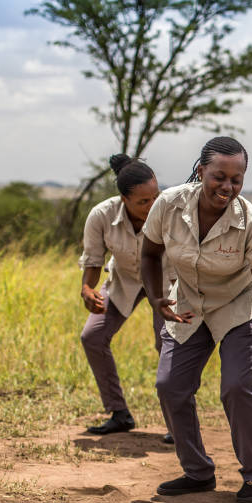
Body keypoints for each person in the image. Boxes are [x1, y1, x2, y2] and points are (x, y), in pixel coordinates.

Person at [140, 136, 252, 503]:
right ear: (201, 171)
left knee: (236, 387)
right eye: (219, 177)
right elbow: (151, 253)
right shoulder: (169, 205)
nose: (228, 187)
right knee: (170, 385)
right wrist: (157, 297)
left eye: (237, 180)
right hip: (189, 303)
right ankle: (197, 472)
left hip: (240, 308)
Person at [79, 154, 173, 442]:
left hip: (167, 282)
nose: (151, 206)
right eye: (143, 202)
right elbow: (93, 259)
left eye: (155, 197)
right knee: (92, 337)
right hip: (123, 280)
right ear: (123, 199)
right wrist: (87, 288)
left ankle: (177, 423)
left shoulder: (169, 212)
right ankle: (119, 413)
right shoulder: (101, 215)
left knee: (167, 344)